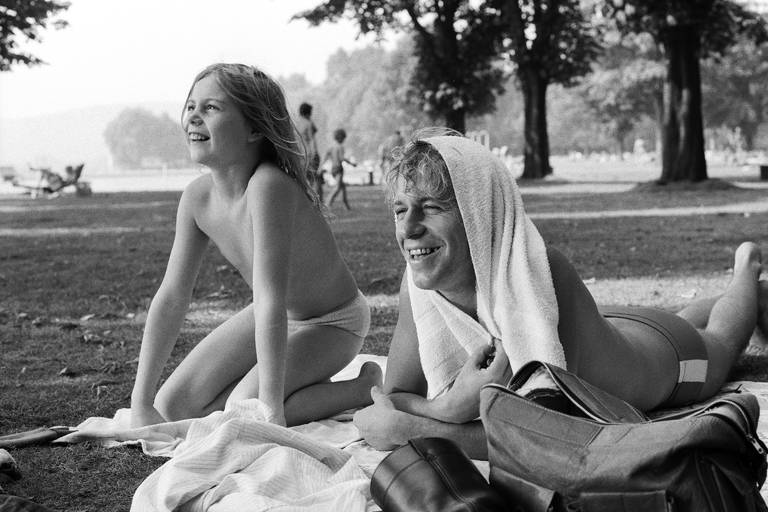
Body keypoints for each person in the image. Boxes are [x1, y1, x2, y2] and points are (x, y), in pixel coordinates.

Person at [353, 129, 768, 459]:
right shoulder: (420, 288)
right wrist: (445, 409)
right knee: (681, 318)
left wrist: (415, 430)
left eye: (432, 207)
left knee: (721, 345)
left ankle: (746, 272)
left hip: (670, 360)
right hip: (614, 327)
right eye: (400, 209)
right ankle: (715, 297)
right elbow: (393, 397)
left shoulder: (537, 274)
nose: (408, 229)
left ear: (480, 215)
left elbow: (554, 435)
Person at [130, 63, 382, 429]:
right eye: (191, 107)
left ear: (253, 128)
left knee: (246, 409)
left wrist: (272, 408)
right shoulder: (197, 199)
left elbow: (270, 297)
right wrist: (141, 402)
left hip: (333, 322)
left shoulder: (268, 186)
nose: (195, 117)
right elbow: (171, 297)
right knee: (171, 407)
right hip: (275, 315)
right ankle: (298, 383)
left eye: (211, 108)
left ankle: (362, 387)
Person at [323, 128, 356, 210]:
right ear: (340, 137)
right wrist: (351, 163)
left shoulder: (332, 147)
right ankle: (328, 203)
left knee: (343, 187)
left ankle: (346, 205)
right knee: (337, 188)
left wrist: (321, 167)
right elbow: (342, 158)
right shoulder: (340, 147)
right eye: (344, 138)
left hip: (333, 169)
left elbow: (326, 157)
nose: (344, 140)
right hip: (338, 169)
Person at [297, 102, 323, 202]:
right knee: (316, 180)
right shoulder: (309, 123)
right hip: (310, 153)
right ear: (309, 112)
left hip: (300, 155)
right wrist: (315, 154)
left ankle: (305, 202)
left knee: (303, 180)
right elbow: (312, 139)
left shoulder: (296, 123)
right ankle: (319, 203)